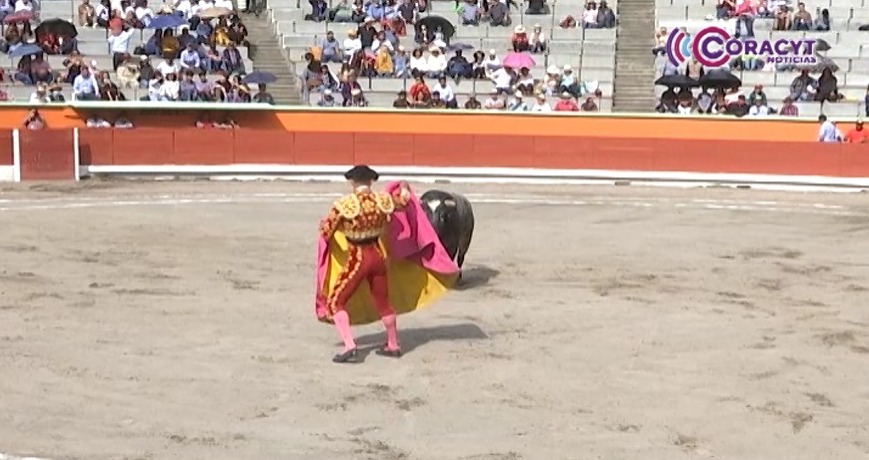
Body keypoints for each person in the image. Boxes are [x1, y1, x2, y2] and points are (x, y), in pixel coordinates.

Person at [318, 165, 412, 363]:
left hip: (357, 258)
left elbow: (326, 232)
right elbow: (405, 201)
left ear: (352, 182)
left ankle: (350, 345)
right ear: (371, 181)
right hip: (378, 257)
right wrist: (403, 185)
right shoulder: (383, 200)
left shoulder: (344, 205)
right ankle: (393, 344)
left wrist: (324, 225)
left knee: (335, 301)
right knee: (383, 302)